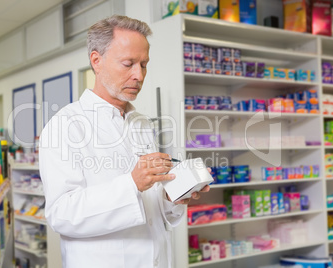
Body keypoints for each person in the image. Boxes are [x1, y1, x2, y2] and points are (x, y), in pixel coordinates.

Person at [39, 15, 210, 268]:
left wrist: (171, 198)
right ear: (96, 61)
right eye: (128, 63)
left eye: (144, 64)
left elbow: (150, 207)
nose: (138, 75)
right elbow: (62, 214)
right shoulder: (65, 125)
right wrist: (131, 184)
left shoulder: (140, 123)